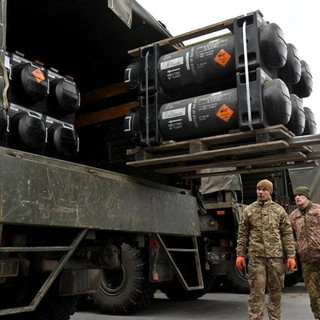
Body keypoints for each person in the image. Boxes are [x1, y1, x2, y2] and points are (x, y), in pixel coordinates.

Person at [235, 179, 296, 320]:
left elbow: (287, 234)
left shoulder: (279, 210)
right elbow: (243, 234)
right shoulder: (249, 210)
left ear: (270, 192)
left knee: (275, 295)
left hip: (276, 259)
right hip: (256, 259)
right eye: (259, 189)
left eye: (264, 189)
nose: (260, 192)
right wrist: (240, 254)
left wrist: (291, 256)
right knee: (256, 295)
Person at [289, 186, 320, 320]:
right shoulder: (293, 216)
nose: (297, 197)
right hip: (307, 261)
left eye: (300, 195)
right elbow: (288, 236)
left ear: (307, 197)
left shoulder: (318, 210)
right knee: (314, 295)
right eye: (296, 195)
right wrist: (297, 248)